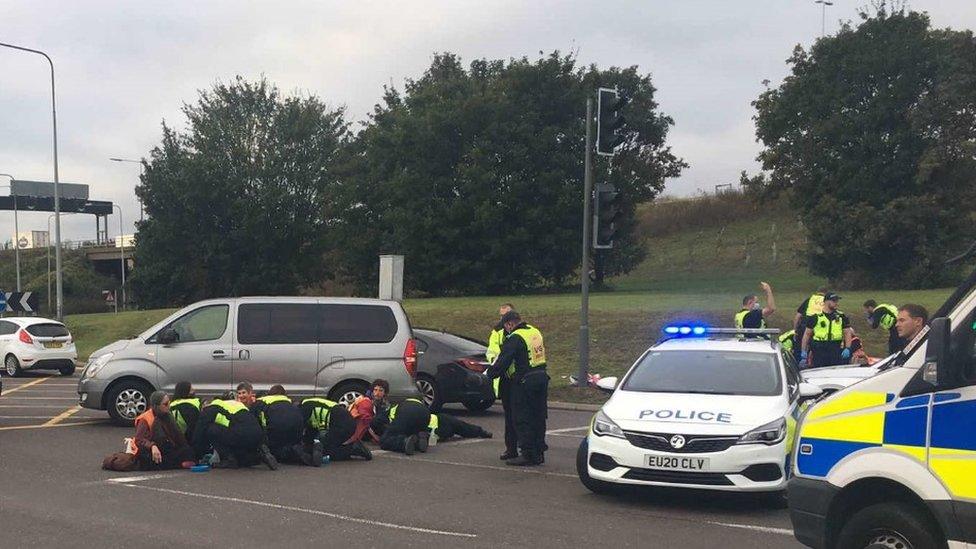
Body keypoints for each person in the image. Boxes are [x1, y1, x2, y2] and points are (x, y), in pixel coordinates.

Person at [487, 310, 549, 466]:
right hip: (541, 378)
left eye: (506, 327)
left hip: (524, 381)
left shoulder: (515, 337)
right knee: (538, 416)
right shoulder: (534, 332)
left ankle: (527, 454)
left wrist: (489, 375)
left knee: (522, 417)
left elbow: (503, 361)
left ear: (509, 324)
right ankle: (538, 452)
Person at [193, 392, 278, 470]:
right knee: (241, 455)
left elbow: (199, 433)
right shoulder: (235, 404)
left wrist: (196, 456)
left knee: (210, 429)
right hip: (258, 435)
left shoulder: (210, 408)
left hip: (240, 435)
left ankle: (229, 460)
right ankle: (259, 454)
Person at [486, 303, 518, 460]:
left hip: (518, 380)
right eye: (501, 315)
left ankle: (524, 448)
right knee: (509, 417)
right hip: (504, 378)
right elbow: (491, 352)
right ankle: (511, 448)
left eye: (506, 314)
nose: (503, 318)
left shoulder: (520, 332)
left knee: (519, 417)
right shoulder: (497, 332)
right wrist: (496, 363)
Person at [133, 391, 195, 470]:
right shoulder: (145, 419)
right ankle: (179, 464)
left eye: (169, 403)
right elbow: (139, 440)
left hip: (167, 447)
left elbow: (178, 436)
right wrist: (152, 446)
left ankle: (179, 462)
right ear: (156, 406)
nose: (168, 406)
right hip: (151, 450)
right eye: (165, 404)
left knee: (188, 450)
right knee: (148, 460)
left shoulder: (168, 416)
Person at [300, 396, 372, 461]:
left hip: (342, 424)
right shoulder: (309, 403)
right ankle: (351, 448)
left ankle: (353, 449)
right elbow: (311, 431)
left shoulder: (304, 408)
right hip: (344, 421)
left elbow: (303, 429)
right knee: (322, 446)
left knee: (326, 451)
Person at [252, 385, 308, 465]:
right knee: (288, 446)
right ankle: (296, 451)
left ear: (269, 394)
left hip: (276, 433)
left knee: (274, 449)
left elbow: (252, 421)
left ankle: (278, 454)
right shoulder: (290, 402)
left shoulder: (261, 401)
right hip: (297, 432)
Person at [800, 293, 854, 369]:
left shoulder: (841, 316)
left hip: (835, 348)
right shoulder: (815, 317)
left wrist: (848, 348)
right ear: (826, 301)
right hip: (819, 349)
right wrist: (804, 351)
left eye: (837, 301)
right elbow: (807, 335)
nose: (836, 303)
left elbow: (847, 333)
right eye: (834, 301)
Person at [794, 287, 828, 351]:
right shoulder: (827, 302)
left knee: (802, 345)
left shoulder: (810, 300)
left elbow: (797, 317)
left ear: (817, 292)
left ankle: (802, 356)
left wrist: (795, 330)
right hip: (819, 328)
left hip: (805, 325)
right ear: (826, 294)